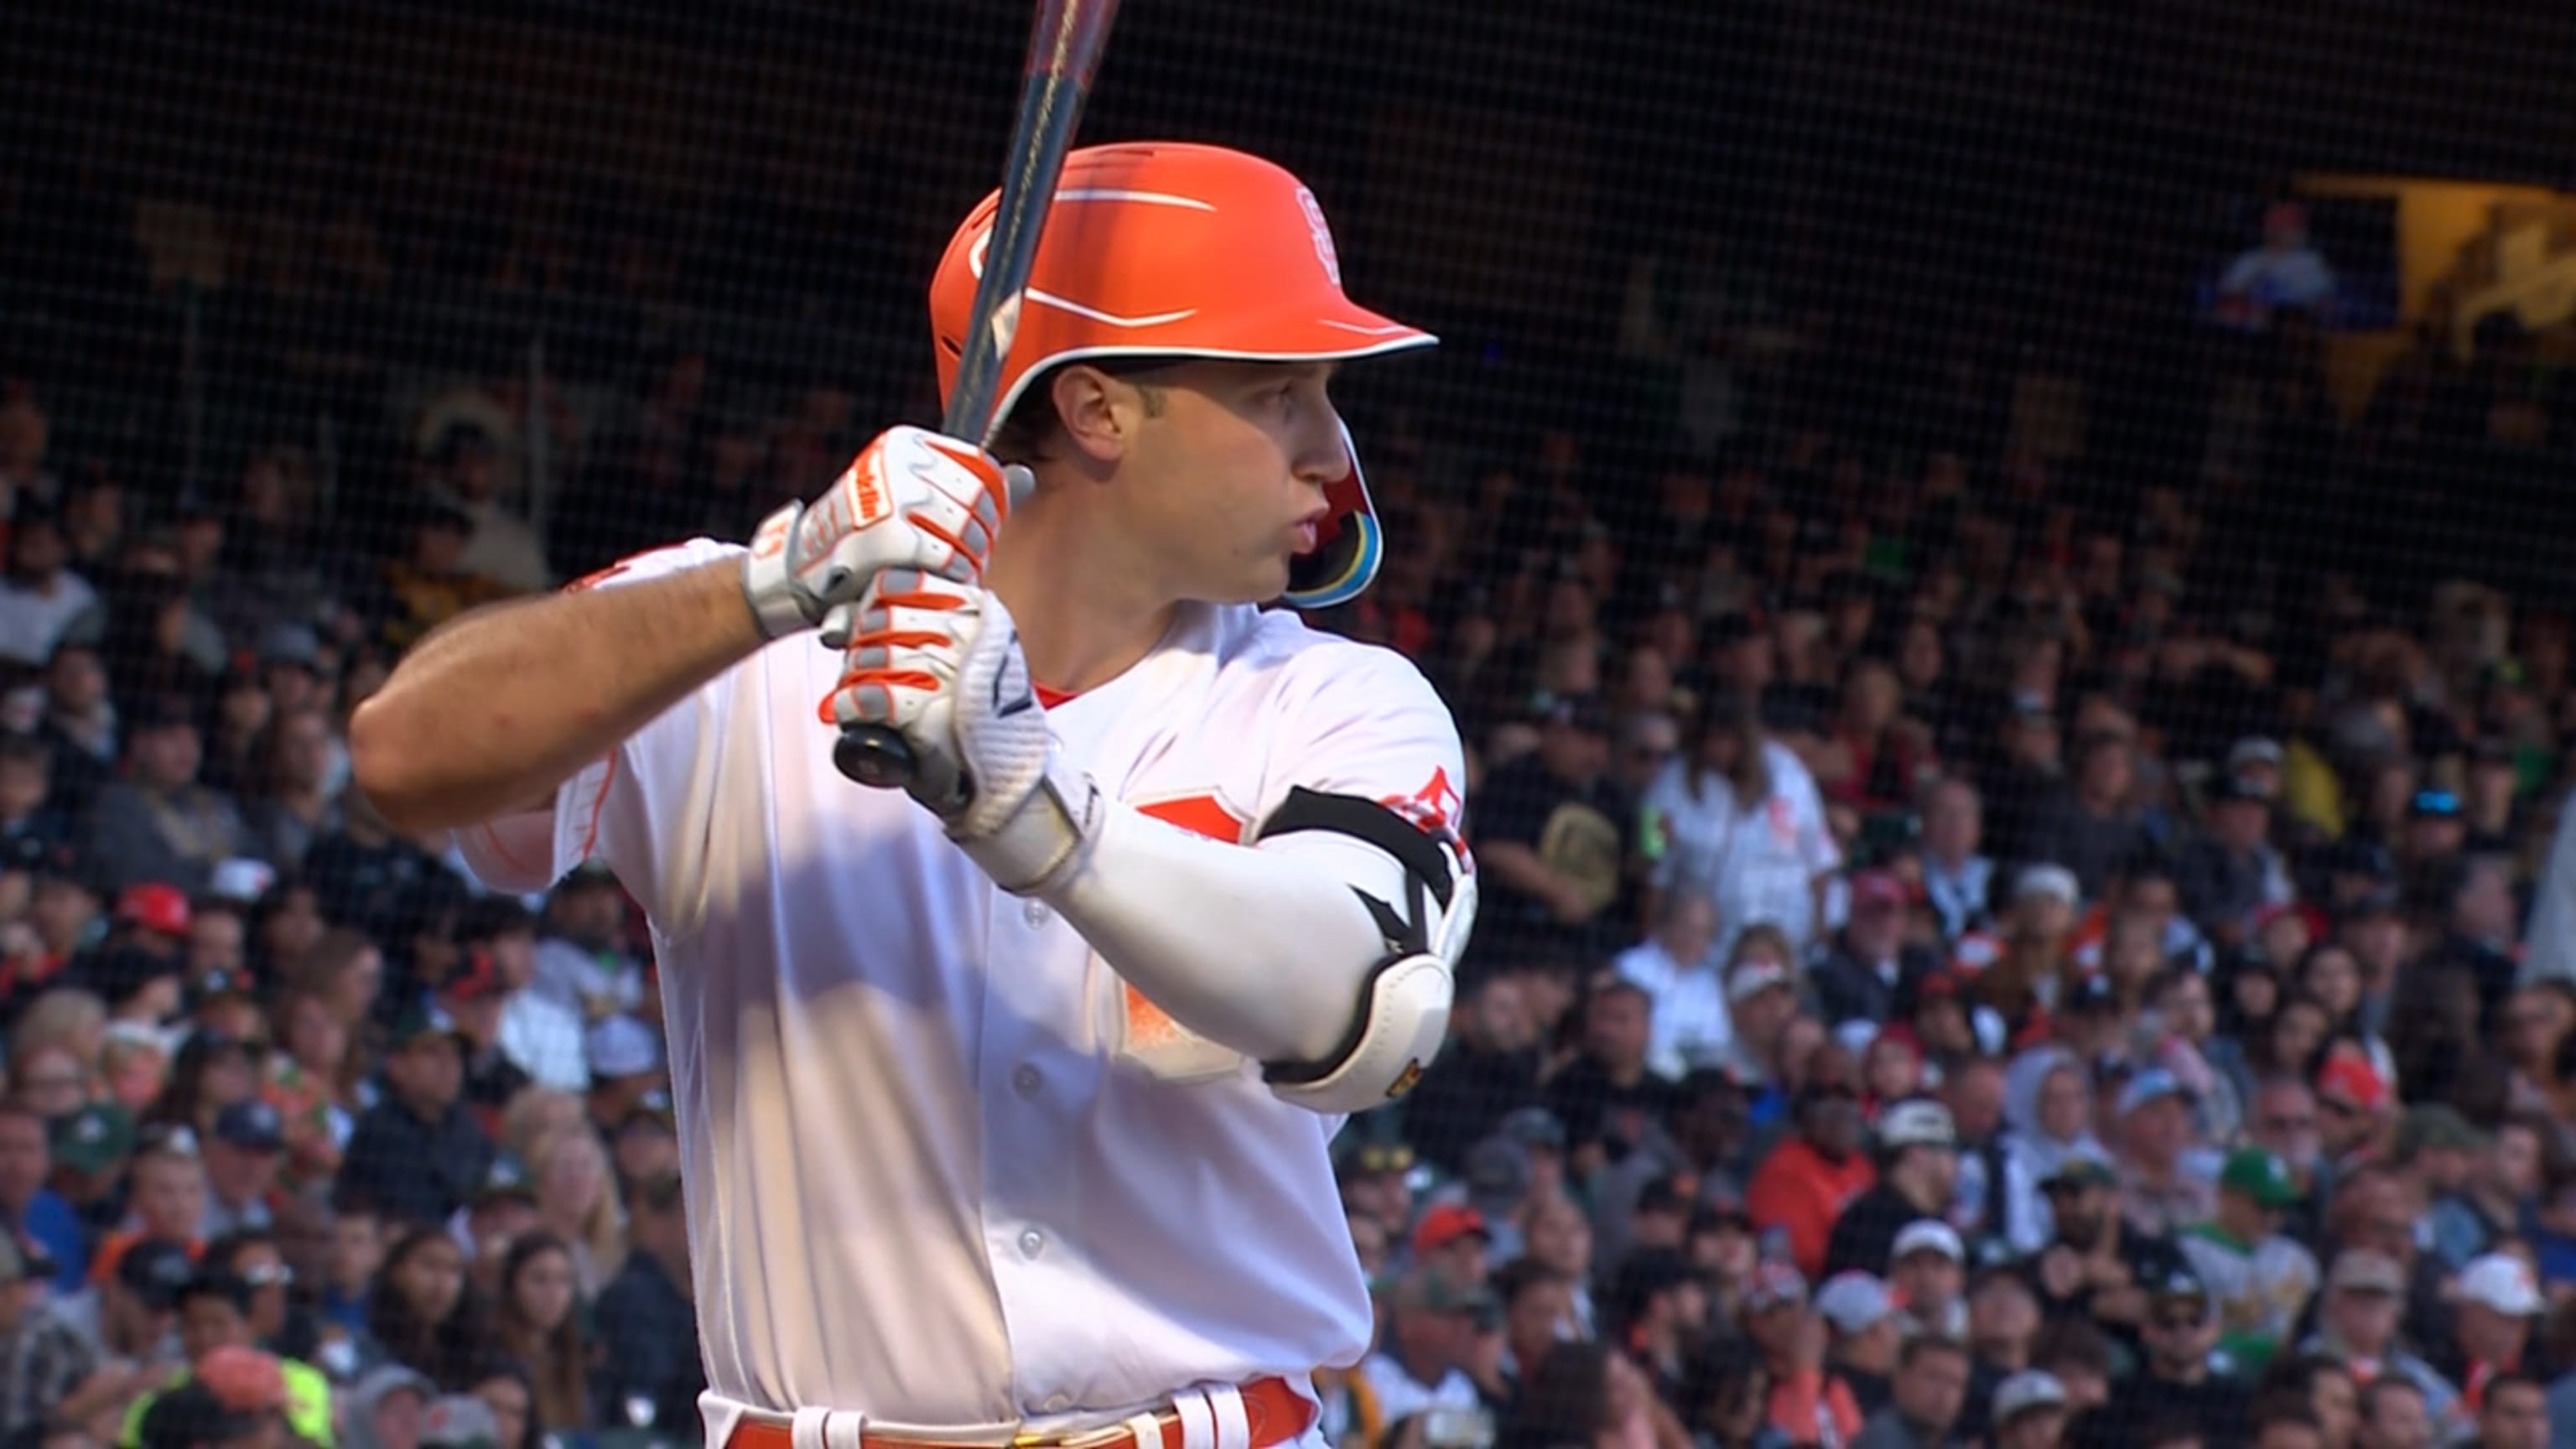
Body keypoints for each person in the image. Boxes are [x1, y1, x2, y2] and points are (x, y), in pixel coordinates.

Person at [352, 143, 1478, 1449]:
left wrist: (1038, 817)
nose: (1331, 455)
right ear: (1099, 410)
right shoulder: (745, 655)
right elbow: (401, 758)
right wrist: (769, 583)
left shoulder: (1340, 698)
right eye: (1283, 394)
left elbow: (1356, 1003)